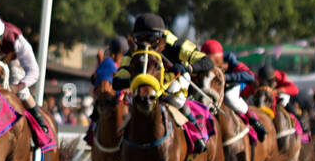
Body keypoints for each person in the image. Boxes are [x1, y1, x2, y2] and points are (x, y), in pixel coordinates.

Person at [112, 12, 213, 152]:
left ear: (160, 37)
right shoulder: (132, 52)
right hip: (147, 89)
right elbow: (117, 81)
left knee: (175, 98)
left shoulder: (176, 45)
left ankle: (196, 131)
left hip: (173, 83)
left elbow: (207, 62)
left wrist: (187, 67)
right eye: (140, 39)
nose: (145, 44)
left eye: (150, 38)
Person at [0, 10, 45, 127]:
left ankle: (41, 126)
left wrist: (18, 87)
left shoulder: (16, 39)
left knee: (19, 85)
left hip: (12, 61)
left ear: (2, 33)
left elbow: (34, 71)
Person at [201, 38, 265, 141]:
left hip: (232, 86)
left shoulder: (230, 59)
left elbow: (249, 76)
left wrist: (226, 77)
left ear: (219, 58)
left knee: (230, 98)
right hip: (213, 87)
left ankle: (254, 121)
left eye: (212, 61)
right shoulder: (201, 61)